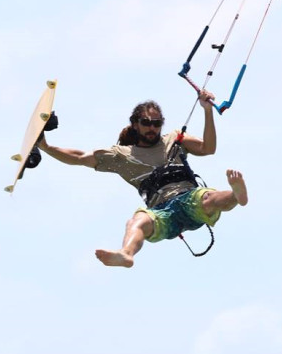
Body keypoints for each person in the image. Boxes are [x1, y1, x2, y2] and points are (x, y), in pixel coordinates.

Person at [38, 90, 248, 268]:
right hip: (162, 212)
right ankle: (126, 253)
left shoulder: (174, 139)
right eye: (146, 123)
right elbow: (80, 157)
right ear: (135, 124)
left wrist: (207, 110)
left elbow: (208, 148)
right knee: (138, 220)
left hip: (189, 198)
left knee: (210, 199)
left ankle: (236, 195)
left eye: (156, 123)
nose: (152, 128)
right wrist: (45, 147)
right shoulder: (121, 155)